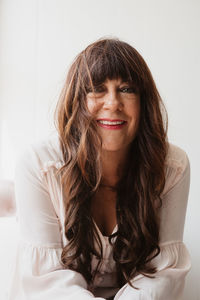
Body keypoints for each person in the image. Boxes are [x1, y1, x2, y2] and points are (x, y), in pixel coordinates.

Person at [8, 38, 191, 300]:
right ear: (78, 101)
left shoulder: (172, 167)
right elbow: (48, 283)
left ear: (144, 102)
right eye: (97, 89)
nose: (113, 103)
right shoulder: (39, 165)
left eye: (127, 89)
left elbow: (162, 273)